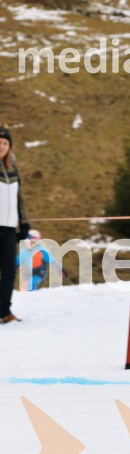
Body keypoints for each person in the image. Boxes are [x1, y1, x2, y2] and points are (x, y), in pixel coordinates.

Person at [0, 125, 30, 324]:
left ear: (9, 146)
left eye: (5, 143)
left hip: (9, 228)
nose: (1, 146)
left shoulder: (13, 169)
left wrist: (24, 223)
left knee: (9, 271)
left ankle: (4, 311)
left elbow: (19, 199)